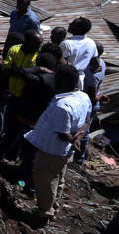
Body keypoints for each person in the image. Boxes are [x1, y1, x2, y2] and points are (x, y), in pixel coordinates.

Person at [24, 64, 92, 221]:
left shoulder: (63, 105)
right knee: (59, 178)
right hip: (63, 151)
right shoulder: (83, 96)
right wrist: (78, 138)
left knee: (45, 181)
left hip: (52, 151)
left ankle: (44, 212)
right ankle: (53, 206)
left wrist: (74, 140)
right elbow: (87, 121)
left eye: (57, 78)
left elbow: (63, 134)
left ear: (64, 81)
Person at [14, 52, 59, 198]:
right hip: (45, 124)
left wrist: (40, 69)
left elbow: (22, 71)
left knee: (28, 156)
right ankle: (24, 180)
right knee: (32, 156)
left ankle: (29, 189)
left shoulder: (38, 80)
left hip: (30, 122)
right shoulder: (59, 80)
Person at [0, 29, 43, 160]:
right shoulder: (14, 50)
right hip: (13, 94)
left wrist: (19, 71)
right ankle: (3, 151)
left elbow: (35, 77)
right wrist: (25, 73)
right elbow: (6, 69)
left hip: (26, 98)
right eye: (37, 43)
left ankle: (13, 154)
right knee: (9, 126)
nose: (39, 47)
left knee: (21, 129)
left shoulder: (39, 56)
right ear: (27, 42)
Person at [0, 31, 25, 147]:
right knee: (6, 116)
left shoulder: (11, 54)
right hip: (13, 91)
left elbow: (2, 69)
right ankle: (3, 138)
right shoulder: (22, 56)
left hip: (2, 90)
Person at [76, 42, 107, 165]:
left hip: (87, 105)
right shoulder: (101, 63)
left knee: (83, 132)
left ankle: (78, 159)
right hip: (87, 103)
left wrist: (101, 96)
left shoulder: (93, 72)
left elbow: (93, 97)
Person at [60, 17, 97, 87]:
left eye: (73, 23)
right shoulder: (91, 42)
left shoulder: (66, 44)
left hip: (65, 80)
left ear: (78, 29)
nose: (70, 24)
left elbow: (58, 61)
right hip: (80, 80)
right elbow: (95, 65)